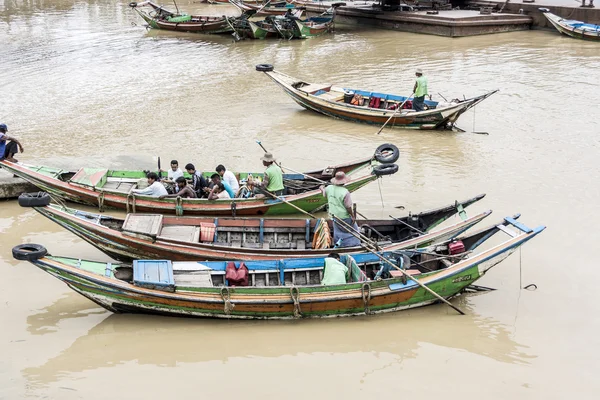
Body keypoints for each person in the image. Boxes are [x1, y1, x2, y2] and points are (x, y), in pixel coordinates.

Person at [320, 171, 361, 248]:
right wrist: (352, 216)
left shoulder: (329, 188)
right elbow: (348, 207)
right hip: (344, 216)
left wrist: (321, 187)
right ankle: (353, 245)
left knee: (338, 231)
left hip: (334, 215)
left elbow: (324, 193)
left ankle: (340, 244)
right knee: (353, 231)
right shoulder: (345, 192)